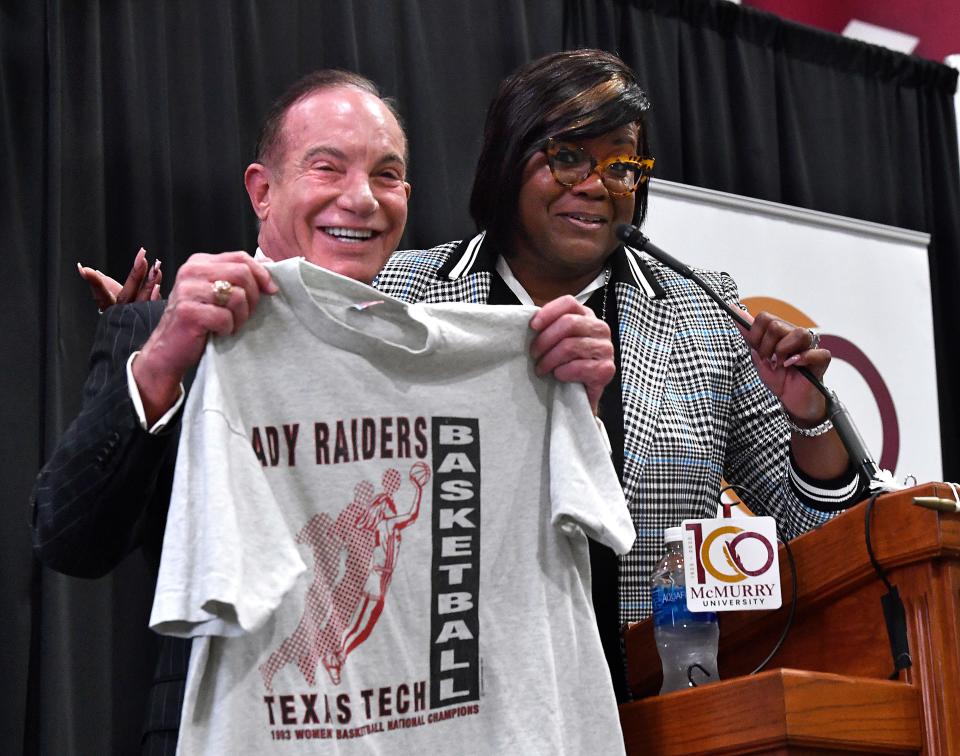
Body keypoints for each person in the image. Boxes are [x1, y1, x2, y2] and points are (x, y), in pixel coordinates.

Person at [31, 68, 613, 753]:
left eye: (387, 175)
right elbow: (69, 539)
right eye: (327, 167)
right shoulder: (173, 332)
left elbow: (546, 569)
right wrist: (162, 362)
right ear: (262, 190)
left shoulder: (458, 355)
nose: (360, 198)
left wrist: (573, 408)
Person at [372, 48, 866, 701]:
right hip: (447, 701)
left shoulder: (702, 313)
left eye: (622, 163)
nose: (597, 184)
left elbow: (820, 534)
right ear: (506, 157)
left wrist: (810, 419)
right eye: (567, 156)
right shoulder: (400, 292)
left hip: (638, 706)